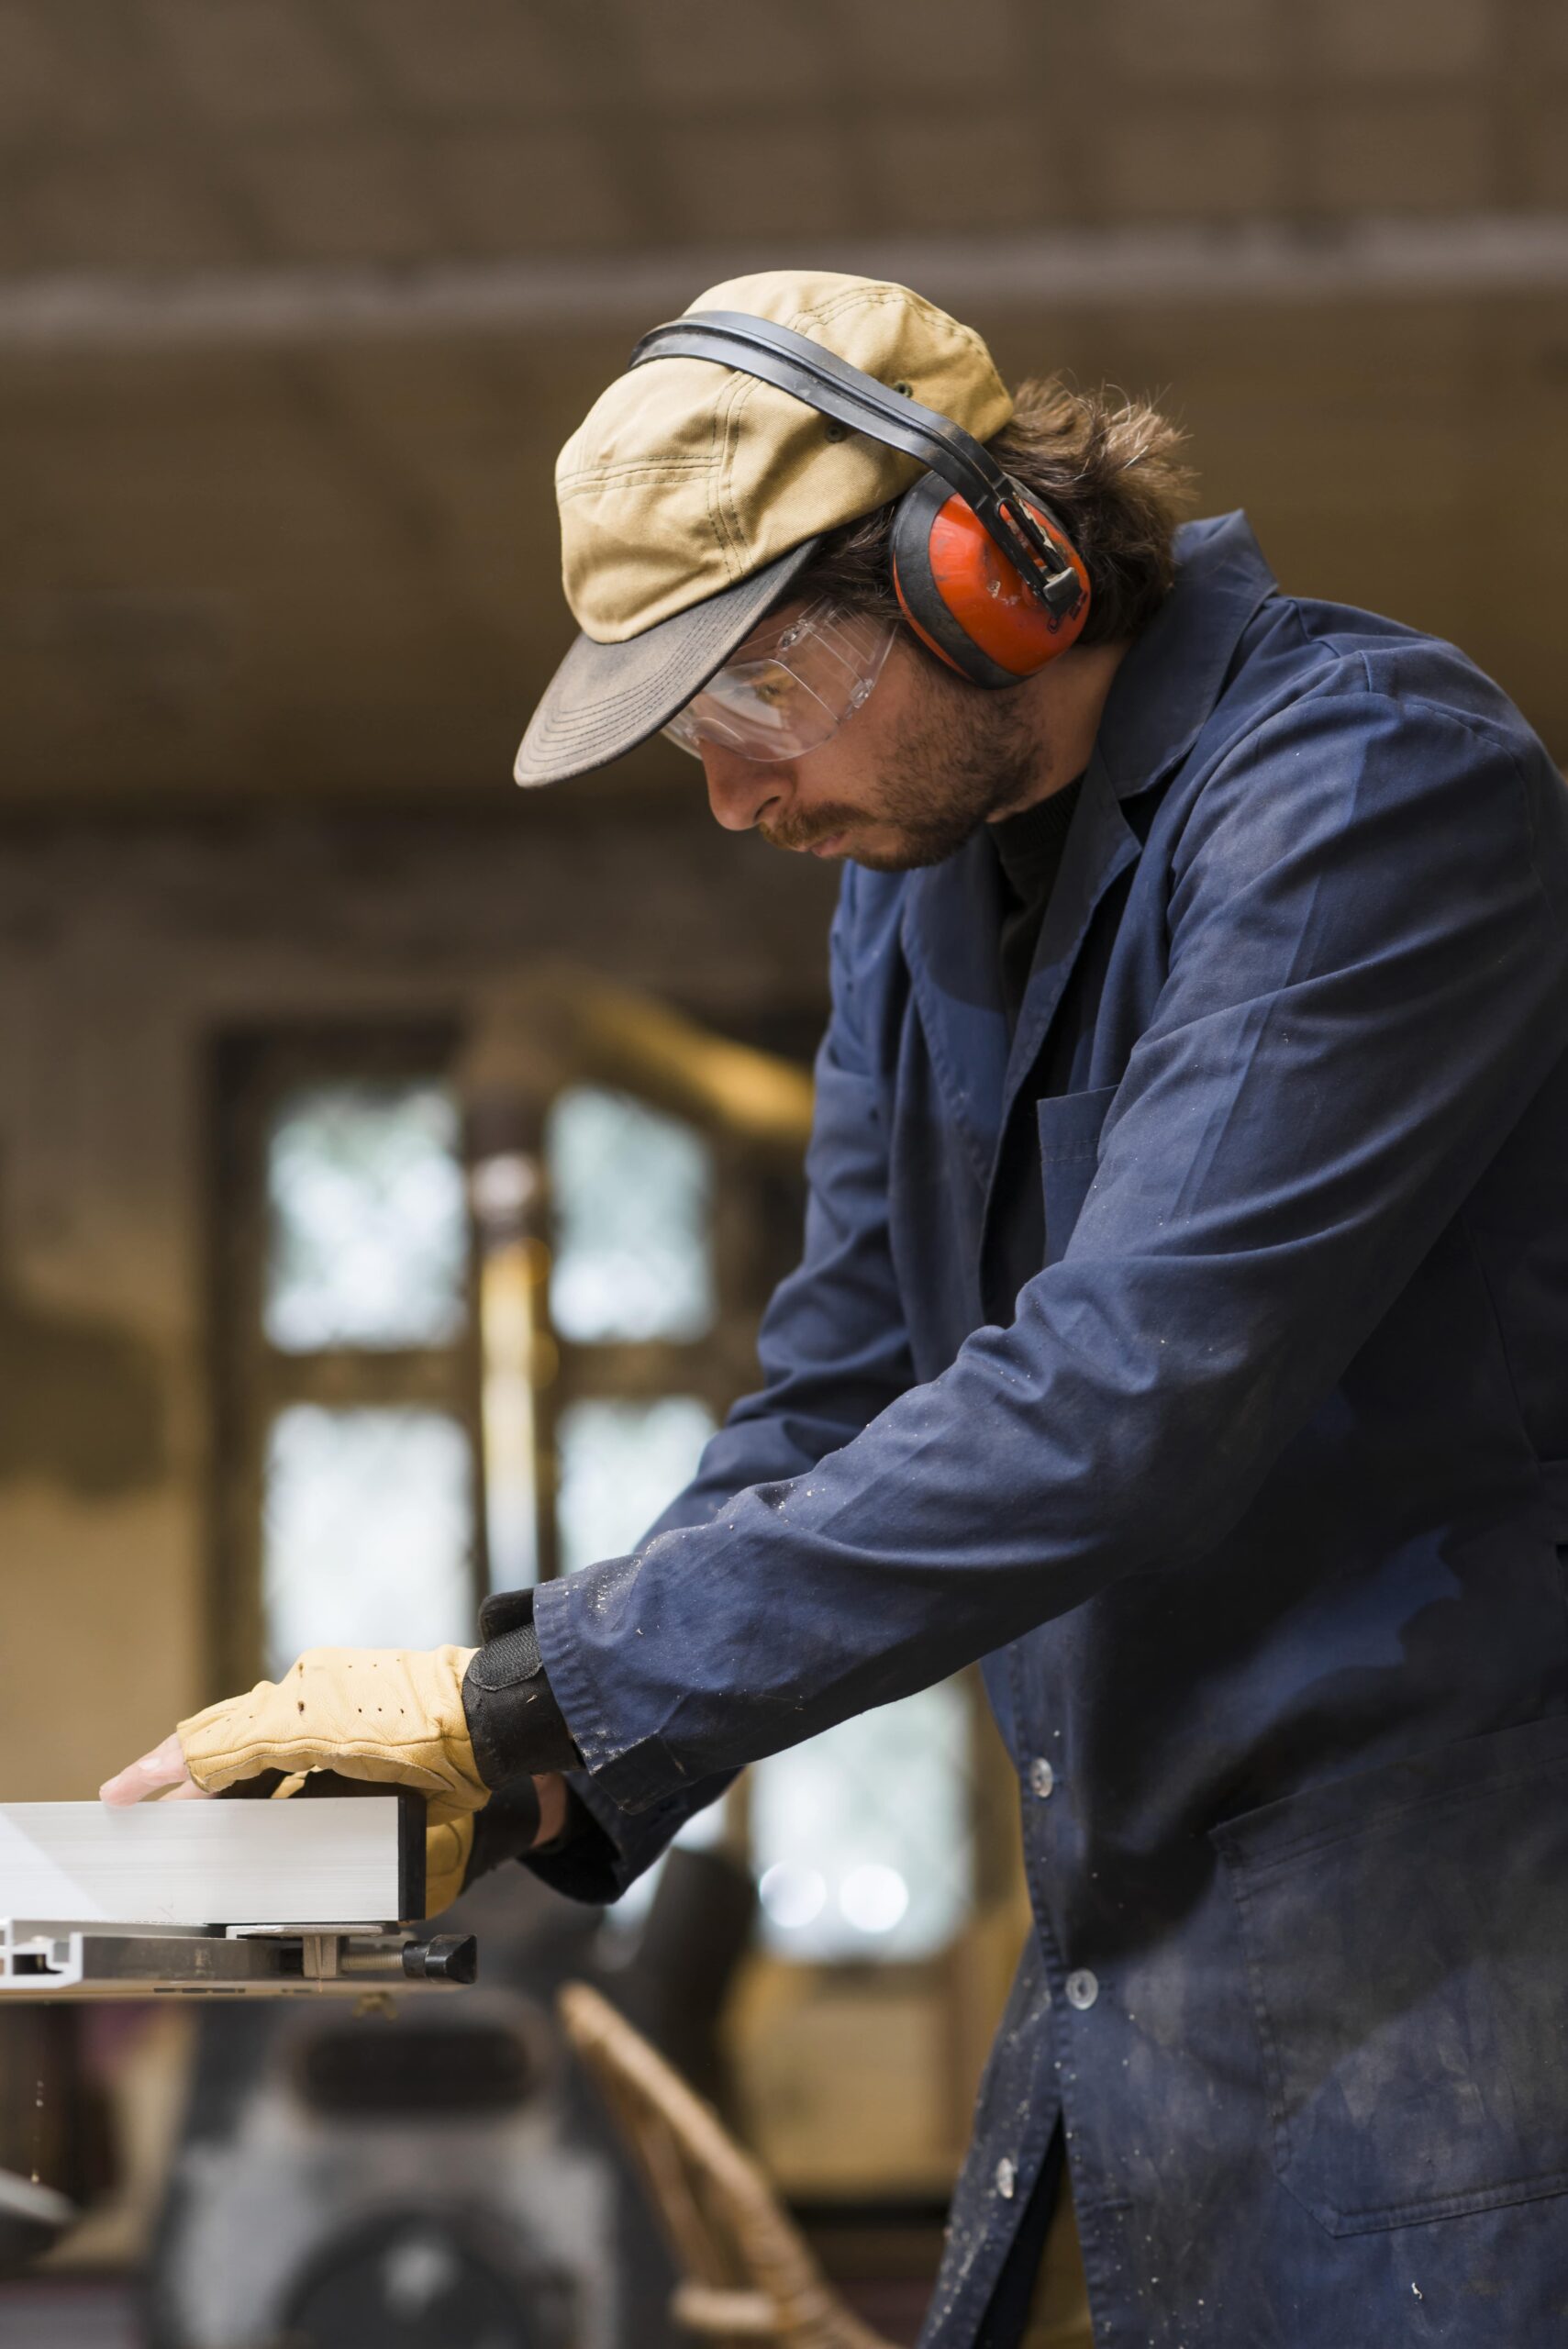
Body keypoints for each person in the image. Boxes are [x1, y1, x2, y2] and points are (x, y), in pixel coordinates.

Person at [105, 272, 1568, 2348]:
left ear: (991, 572)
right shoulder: (919, 887)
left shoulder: (1366, 794)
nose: (733, 796)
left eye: (752, 703)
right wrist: (515, 1779)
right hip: (1121, 2000)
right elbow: (840, 1394)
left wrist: (520, 1689)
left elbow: (1121, 1401)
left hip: (1458, 2020)